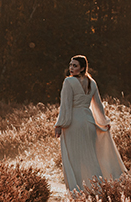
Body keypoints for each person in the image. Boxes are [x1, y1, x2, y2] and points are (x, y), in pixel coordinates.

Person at [53, 55, 125, 192]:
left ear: (82, 68)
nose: (71, 68)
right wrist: (103, 122)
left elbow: (65, 105)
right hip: (89, 121)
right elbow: (98, 106)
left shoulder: (69, 82)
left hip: (74, 123)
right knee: (91, 157)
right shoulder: (92, 82)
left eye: (75, 66)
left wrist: (59, 124)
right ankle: (98, 187)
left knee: (75, 159)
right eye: (70, 65)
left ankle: (80, 189)